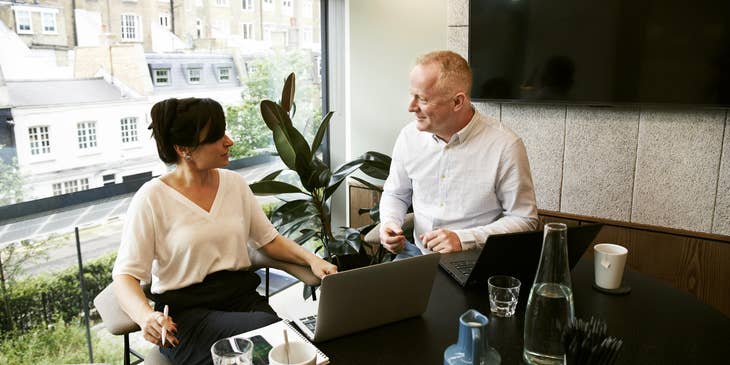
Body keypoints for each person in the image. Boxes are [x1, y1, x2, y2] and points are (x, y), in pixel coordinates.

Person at [112, 97, 337, 365]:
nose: (228, 141)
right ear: (185, 149)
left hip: (243, 301)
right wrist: (146, 316)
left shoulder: (235, 184)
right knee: (273, 340)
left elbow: (269, 241)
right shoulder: (152, 197)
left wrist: (313, 260)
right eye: (217, 136)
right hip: (188, 318)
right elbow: (125, 276)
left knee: (291, 352)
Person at [379, 50, 538, 257]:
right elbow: (396, 193)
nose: (411, 107)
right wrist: (390, 223)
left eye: (423, 99)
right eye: (412, 95)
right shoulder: (408, 137)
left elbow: (525, 219)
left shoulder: (506, 145)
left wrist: (464, 239)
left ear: (457, 102)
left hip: (477, 259)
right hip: (416, 255)